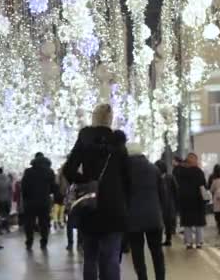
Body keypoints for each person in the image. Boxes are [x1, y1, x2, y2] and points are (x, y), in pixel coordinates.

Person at [63, 104, 130, 280]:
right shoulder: (119, 144)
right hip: (114, 207)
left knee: (90, 257)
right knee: (111, 258)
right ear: (110, 119)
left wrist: (86, 182)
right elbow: (127, 178)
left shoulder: (84, 140)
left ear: (94, 117)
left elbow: (68, 170)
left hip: (89, 204)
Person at [126, 143, 165, 280]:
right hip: (153, 216)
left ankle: (142, 278)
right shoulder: (154, 169)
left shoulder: (124, 171)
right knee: (157, 252)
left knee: (137, 253)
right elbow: (162, 194)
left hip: (133, 219)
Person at [22, 152, 57, 251]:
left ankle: (29, 241)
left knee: (29, 223)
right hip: (44, 201)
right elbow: (54, 187)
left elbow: (24, 187)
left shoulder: (28, 171)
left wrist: (26, 198)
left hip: (30, 201)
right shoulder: (50, 171)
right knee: (44, 222)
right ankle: (44, 242)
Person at [177, 153, 207, 249]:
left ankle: (188, 243)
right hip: (197, 200)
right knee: (199, 223)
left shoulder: (181, 172)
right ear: (195, 161)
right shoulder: (199, 172)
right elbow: (203, 186)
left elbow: (178, 186)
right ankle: (199, 242)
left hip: (185, 200)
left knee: (187, 223)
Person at [155, 160, 177, 247]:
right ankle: (166, 239)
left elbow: (175, 189)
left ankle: (167, 239)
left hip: (164, 204)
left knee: (165, 222)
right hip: (167, 203)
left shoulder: (166, 177)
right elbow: (176, 189)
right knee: (164, 222)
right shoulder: (170, 177)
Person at [0, 167, 13, 234]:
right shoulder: (7, 179)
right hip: (7, 200)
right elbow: (11, 190)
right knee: (6, 215)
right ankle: (7, 228)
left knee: (0, 215)